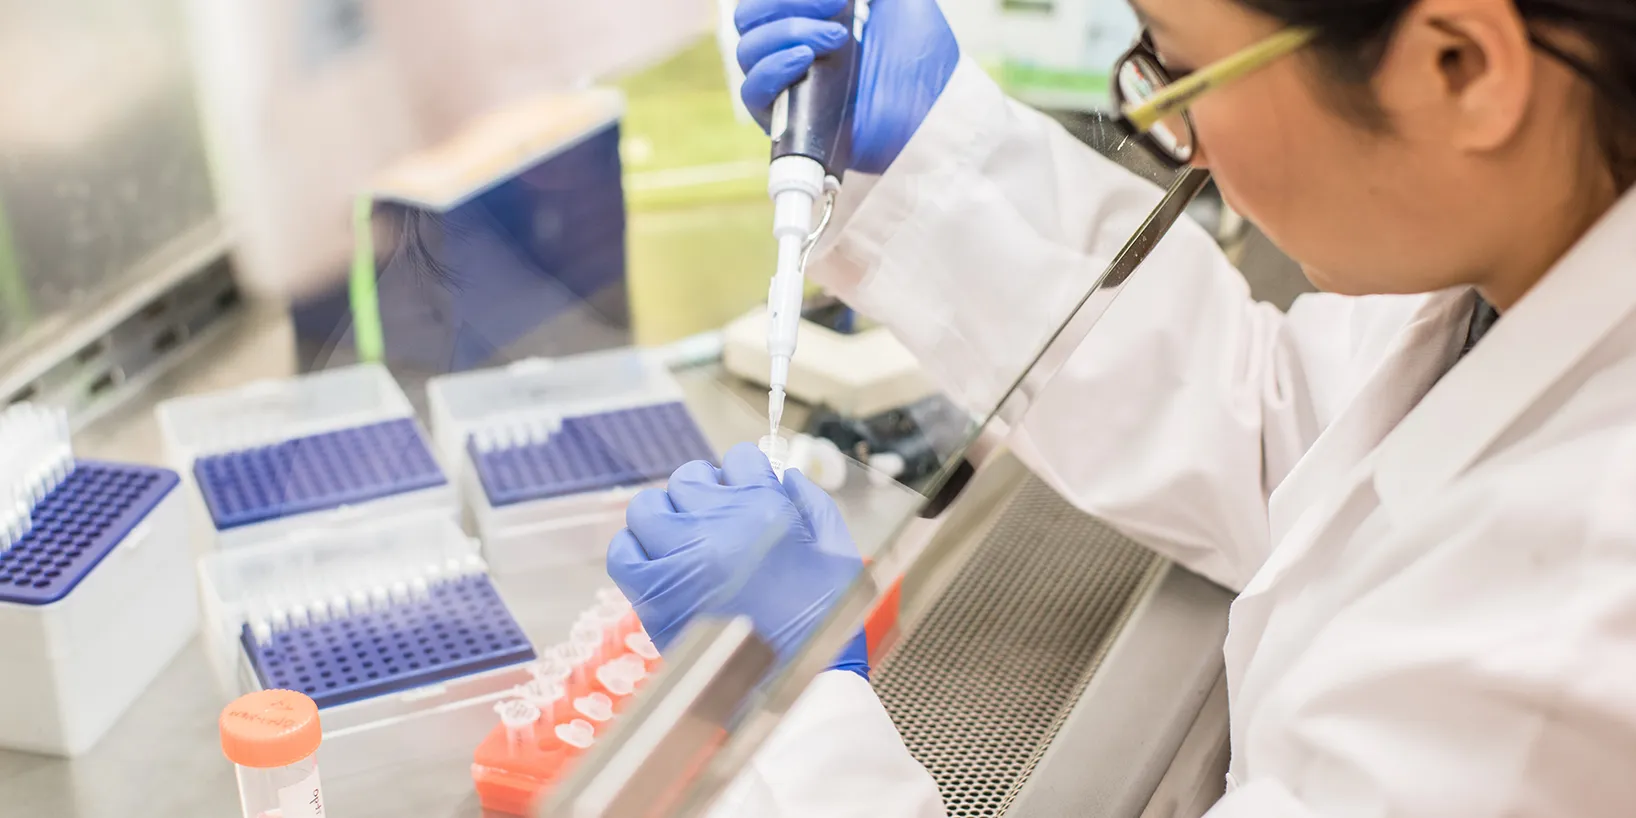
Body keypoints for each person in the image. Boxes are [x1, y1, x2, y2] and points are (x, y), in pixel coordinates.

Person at [607, 0, 1636, 814]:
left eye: (1180, 67)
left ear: (1460, 64)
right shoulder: (1546, 268)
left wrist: (794, 729)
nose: (1180, 140)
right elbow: (1288, 422)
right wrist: (931, 156)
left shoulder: (1555, 649)